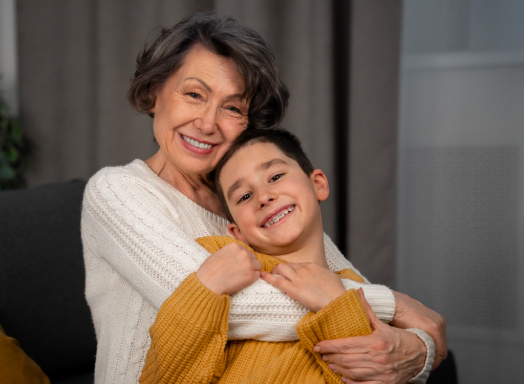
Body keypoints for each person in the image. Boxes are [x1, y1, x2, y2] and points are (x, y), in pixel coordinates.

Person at [81, 12, 446, 384]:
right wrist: (398, 306)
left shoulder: (251, 205)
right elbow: (239, 310)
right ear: (153, 92)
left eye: (233, 108)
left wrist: (419, 351)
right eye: (194, 94)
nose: (208, 123)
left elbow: (336, 278)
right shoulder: (116, 191)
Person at [139, 128, 435, 383]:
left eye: (276, 176)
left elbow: (372, 373)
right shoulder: (215, 261)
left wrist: (337, 307)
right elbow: (164, 378)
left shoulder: (356, 289)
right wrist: (204, 289)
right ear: (236, 232)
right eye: (244, 196)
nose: (264, 197)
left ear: (317, 183)